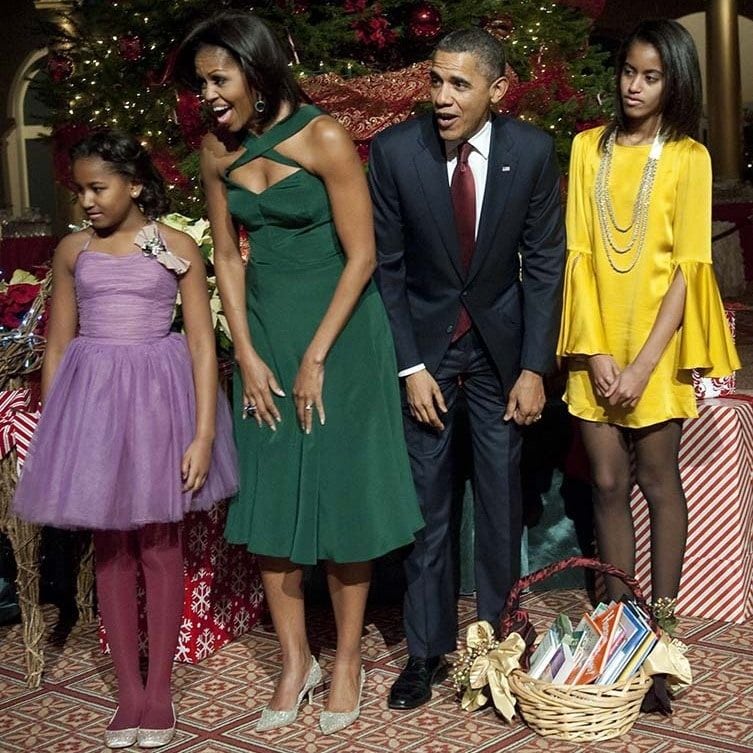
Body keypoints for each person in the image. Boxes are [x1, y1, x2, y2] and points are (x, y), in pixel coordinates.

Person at [175, 12, 423, 734]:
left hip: (341, 339)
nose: (209, 96)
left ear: (256, 71)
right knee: (272, 503)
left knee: (343, 501)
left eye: (220, 79)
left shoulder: (323, 136)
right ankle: (295, 660)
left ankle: (344, 659)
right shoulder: (214, 151)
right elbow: (224, 255)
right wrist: (246, 355)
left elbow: (363, 255)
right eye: (201, 84)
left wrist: (316, 354)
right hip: (266, 341)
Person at [11, 131, 238, 748]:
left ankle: (159, 691)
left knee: (161, 547)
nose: (85, 200)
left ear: (134, 185)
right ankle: (128, 693)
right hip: (94, 408)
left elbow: (199, 344)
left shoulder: (177, 247)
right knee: (111, 549)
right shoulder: (72, 251)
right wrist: (62, 431)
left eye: (97, 187)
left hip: (160, 405)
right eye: (78, 189)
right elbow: (58, 342)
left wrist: (203, 432)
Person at [368, 28, 565, 709]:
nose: (443, 97)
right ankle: (426, 653)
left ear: (497, 89)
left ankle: (498, 642)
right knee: (427, 507)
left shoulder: (532, 152)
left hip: (500, 355)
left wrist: (535, 366)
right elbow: (386, 271)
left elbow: (543, 265)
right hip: (425, 352)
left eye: (459, 84)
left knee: (500, 499)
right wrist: (409, 366)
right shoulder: (395, 152)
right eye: (435, 81)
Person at [557, 20, 740, 624]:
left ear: (674, 82)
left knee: (660, 485)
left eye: (651, 77)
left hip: (656, 354)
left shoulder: (690, 158)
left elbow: (690, 269)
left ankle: (661, 628)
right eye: (629, 72)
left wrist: (640, 365)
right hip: (597, 347)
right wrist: (600, 355)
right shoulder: (588, 148)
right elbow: (578, 257)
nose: (634, 86)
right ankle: (618, 622)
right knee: (607, 484)